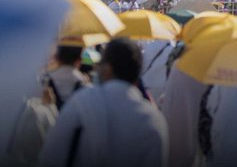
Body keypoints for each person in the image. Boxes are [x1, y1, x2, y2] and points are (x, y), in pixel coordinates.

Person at [38, 38, 168, 167]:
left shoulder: (82, 102)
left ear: (108, 69)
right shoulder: (154, 119)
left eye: (100, 63)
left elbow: (51, 156)